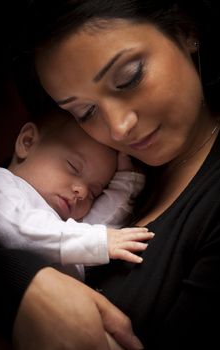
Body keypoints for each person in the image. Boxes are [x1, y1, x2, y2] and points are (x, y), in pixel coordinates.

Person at [11, 0, 220, 349]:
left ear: (185, 31)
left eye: (129, 78)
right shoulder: (94, 162)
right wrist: (25, 285)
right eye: (85, 111)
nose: (119, 129)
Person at [0, 109, 151, 281]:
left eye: (94, 193)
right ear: (27, 142)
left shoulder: (62, 228)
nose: (82, 192)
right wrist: (100, 241)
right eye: (73, 167)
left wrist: (125, 181)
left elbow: (98, 229)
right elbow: (23, 232)